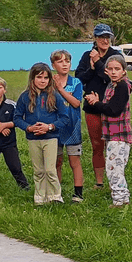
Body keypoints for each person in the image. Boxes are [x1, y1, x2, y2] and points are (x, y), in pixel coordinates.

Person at [14, 63, 72, 205]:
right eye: (39, 77)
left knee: (50, 169)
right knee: (38, 170)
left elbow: (64, 117)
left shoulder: (55, 96)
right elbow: (16, 117)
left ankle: (55, 196)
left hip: (50, 138)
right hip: (33, 139)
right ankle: (40, 197)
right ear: (32, 78)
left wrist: (50, 127)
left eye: (46, 77)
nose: (42, 80)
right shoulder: (24, 97)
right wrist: (28, 128)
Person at [76, 24, 124, 189]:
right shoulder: (86, 55)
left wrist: (96, 62)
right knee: (97, 145)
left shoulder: (115, 55)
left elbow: (110, 77)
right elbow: (80, 78)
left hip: (111, 106)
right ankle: (99, 181)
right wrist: (92, 69)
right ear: (95, 38)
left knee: (113, 145)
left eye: (107, 37)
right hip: (92, 107)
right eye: (101, 37)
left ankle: (115, 181)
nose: (105, 40)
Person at [85, 56, 132, 207]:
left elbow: (113, 110)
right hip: (112, 134)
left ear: (124, 71)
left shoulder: (122, 86)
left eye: (117, 69)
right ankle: (122, 197)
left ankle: (120, 200)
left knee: (114, 169)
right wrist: (99, 101)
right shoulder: (112, 85)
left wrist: (96, 103)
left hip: (119, 135)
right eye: (111, 69)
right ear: (106, 70)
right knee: (114, 167)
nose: (114, 72)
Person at [51, 49, 87, 202]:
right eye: (60, 61)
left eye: (67, 61)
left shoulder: (76, 82)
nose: (64, 64)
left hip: (73, 128)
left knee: (74, 161)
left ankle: (78, 193)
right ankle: (56, 193)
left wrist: (61, 90)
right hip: (55, 128)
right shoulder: (49, 83)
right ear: (53, 65)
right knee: (56, 161)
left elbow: (76, 102)